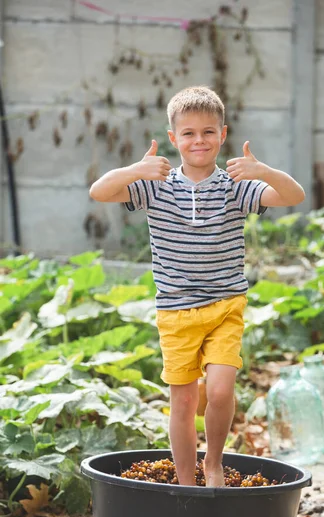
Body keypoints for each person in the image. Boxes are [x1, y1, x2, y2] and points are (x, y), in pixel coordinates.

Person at [89, 86, 305, 487]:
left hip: (225, 305)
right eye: (188, 133)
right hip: (175, 311)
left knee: (220, 391)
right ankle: (186, 482)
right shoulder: (155, 185)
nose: (199, 140)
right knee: (184, 401)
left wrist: (266, 172)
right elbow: (98, 191)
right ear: (173, 139)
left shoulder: (235, 186)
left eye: (208, 132)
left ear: (222, 135)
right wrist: (134, 171)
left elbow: (293, 195)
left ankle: (214, 463)